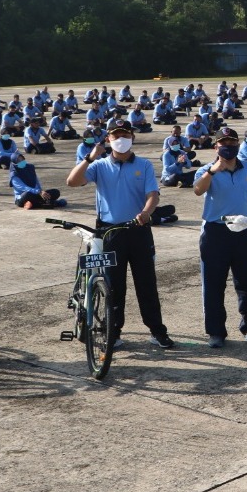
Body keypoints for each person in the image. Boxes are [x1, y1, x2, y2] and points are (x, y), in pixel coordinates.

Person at [66, 119, 175, 349]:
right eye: (116, 136)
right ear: (108, 139)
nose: (121, 140)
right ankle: (113, 331)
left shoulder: (143, 165)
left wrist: (146, 212)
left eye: (125, 135)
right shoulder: (99, 165)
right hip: (109, 232)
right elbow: (72, 182)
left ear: (133, 137)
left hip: (138, 230)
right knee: (113, 285)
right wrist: (89, 157)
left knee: (146, 283)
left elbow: (153, 194)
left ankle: (157, 330)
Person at [192, 127, 247, 347]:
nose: (228, 147)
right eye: (223, 143)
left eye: (232, 143)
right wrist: (212, 171)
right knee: (213, 284)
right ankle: (216, 332)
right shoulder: (206, 170)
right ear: (216, 146)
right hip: (215, 231)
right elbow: (197, 190)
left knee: (246, 282)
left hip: (242, 230)